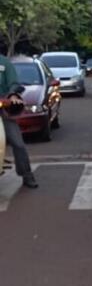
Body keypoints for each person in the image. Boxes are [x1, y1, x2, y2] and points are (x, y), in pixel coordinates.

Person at [0, 55, 37, 188]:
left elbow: (14, 83)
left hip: (3, 107)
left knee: (18, 143)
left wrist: (12, 95)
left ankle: (26, 174)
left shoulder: (4, 63)